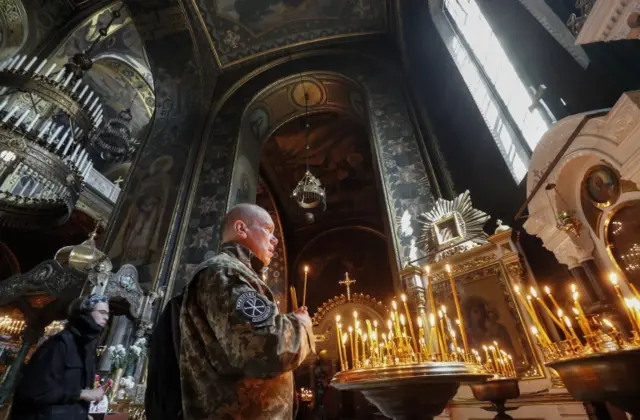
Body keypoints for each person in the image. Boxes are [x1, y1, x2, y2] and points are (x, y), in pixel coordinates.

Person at [180, 203, 314, 419]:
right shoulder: (225, 272)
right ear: (241, 228)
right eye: (268, 230)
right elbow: (266, 349)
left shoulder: (236, 273)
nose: (275, 240)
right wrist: (301, 323)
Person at [11, 295, 109, 420]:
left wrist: (81, 413)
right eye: (102, 312)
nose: (106, 317)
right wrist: (82, 394)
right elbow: (35, 391)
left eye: (108, 313)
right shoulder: (59, 345)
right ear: (85, 312)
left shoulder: (85, 348)